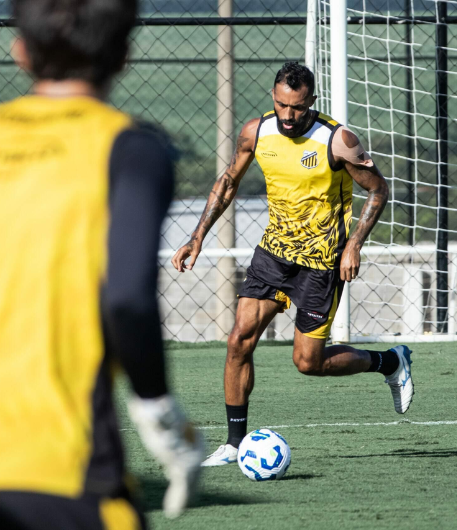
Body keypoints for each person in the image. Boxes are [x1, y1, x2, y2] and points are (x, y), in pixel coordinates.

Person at [0, 0, 203, 527]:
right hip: (58, 473)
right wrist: (158, 408)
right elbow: (128, 297)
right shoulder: (132, 148)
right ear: (124, 56)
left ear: (21, 50)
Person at [172, 62, 414, 466]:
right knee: (238, 341)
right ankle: (234, 443)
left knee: (308, 362)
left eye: (298, 107)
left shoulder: (338, 141)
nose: (288, 115)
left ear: (311, 103)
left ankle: (389, 361)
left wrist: (354, 244)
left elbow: (378, 189)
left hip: (320, 264)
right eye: (282, 104)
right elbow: (229, 181)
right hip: (273, 254)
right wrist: (197, 236)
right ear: (273, 97)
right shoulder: (256, 131)